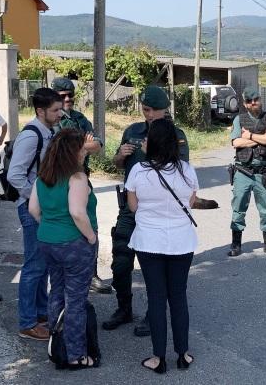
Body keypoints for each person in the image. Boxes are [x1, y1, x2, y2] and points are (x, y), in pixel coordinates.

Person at [104, 85, 189, 337]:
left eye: (153, 110)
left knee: (156, 267)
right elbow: (117, 165)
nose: (149, 114)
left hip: (158, 211)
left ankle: (154, 316)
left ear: (165, 109)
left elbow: (180, 170)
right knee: (120, 260)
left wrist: (149, 150)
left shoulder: (177, 135)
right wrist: (120, 155)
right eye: (145, 109)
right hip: (131, 209)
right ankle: (124, 309)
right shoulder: (132, 131)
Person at [126, 118, 198, 374]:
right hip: (181, 241)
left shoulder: (138, 171)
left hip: (149, 242)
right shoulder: (187, 170)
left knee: (156, 298)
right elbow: (190, 201)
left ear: (153, 143)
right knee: (178, 297)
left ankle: (158, 358)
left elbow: (133, 207)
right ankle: (183, 354)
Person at [28, 128, 99, 369]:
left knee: (56, 292)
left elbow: (33, 211)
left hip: (47, 241)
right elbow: (77, 213)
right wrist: (90, 237)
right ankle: (76, 354)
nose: (84, 151)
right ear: (72, 151)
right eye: (81, 147)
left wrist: (50, 227)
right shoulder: (77, 178)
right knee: (76, 300)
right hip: (74, 244)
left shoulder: (43, 177)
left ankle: (55, 343)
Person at [7, 87, 63, 341]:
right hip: (32, 209)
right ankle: (27, 322)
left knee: (42, 266)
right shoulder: (32, 136)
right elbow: (14, 175)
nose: (60, 113)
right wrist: (37, 199)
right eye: (55, 110)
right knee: (34, 266)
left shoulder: (48, 130)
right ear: (40, 111)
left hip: (41, 208)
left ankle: (41, 314)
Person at [50, 77, 111, 295]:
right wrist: (81, 145)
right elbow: (53, 148)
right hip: (57, 182)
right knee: (63, 227)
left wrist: (76, 145)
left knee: (89, 225)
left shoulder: (79, 118)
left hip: (81, 178)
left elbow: (97, 144)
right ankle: (64, 278)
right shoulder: (51, 119)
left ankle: (91, 274)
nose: (67, 99)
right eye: (62, 96)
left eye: (70, 96)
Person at [228, 87, 266, 258]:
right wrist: (262, 138)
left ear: (260, 99)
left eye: (255, 99)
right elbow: (236, 142)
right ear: (244, 103)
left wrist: (249, 136)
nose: (253, 103)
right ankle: (236, 244)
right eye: (249, 101)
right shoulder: (239, 119)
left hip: (263, 172)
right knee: (238, 208)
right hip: (243, 171)